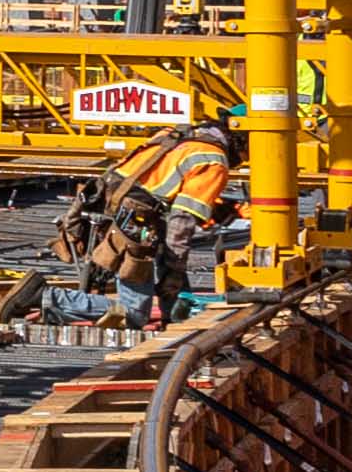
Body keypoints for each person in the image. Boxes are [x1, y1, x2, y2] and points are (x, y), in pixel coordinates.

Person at [43, 115, 229, 327]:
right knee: (134, 313)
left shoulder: (174, 134)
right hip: (134, 220)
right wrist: (174, 270)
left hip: (113, 202)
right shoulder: (213, 160)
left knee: (168, 260)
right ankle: (47, 297)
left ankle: (178, 318)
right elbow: (181, 223)